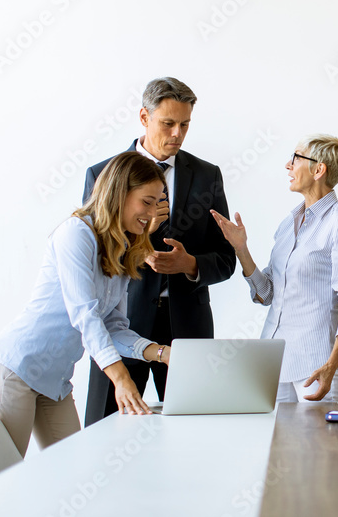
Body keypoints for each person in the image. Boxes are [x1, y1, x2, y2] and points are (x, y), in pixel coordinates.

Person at [0, 152, 170, 456]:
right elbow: (86, 316)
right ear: (120, 193)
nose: (152, 214)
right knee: (4, 477)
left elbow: (112, 326)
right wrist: (121, 378)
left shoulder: (122, 247)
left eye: (158, 203)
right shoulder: (76, 233)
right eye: (146, 202)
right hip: (16, 369)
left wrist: (162, 354)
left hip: (55, 381)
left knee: (72, 477)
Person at [83, 77, 235, 426]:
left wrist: (190, 264)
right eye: (168, 123)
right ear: (143, 117)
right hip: (123, 322)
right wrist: (141, 241)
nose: (177, 134)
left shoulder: (207, 175)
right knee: (107, 429)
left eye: (185, 125)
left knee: (193, 434)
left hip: (188, 328)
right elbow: (94, 260)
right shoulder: (103, 175)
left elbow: (226, 259)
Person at [210, 135, 338, 402]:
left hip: (316, 365)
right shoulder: (288, 223)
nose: (287, 165)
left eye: (295, 158)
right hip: (273, 362)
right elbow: (267, 294)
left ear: (319, 169)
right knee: (277, 444)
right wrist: (241, 248)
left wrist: (333, 364)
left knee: (319, 444)